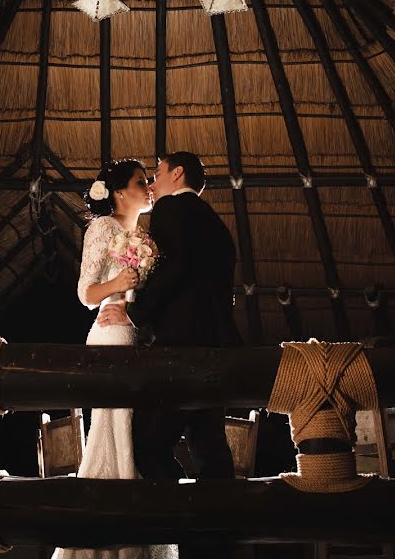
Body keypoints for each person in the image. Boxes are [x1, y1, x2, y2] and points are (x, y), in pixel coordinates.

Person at [98, 151, 240, 559]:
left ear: (177, 173)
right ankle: (220, 539)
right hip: (218, 344)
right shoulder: (215, 224)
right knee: (208, 442)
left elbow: (172, 269)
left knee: (148, 442)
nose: (153, 183)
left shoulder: (172, 209)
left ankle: (183, 524)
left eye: (157, 173)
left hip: (182, 344)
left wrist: (135, 309)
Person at [53, 159, 176, 559]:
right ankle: (112, 535)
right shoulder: (103, 229)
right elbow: (85, 293)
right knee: (116, 425)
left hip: (137, 333)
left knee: (138, 428)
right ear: (120, 192)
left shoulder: (142, 235)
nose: (150, 186)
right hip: (112, 331)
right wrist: (119, 285)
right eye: (142, 182)